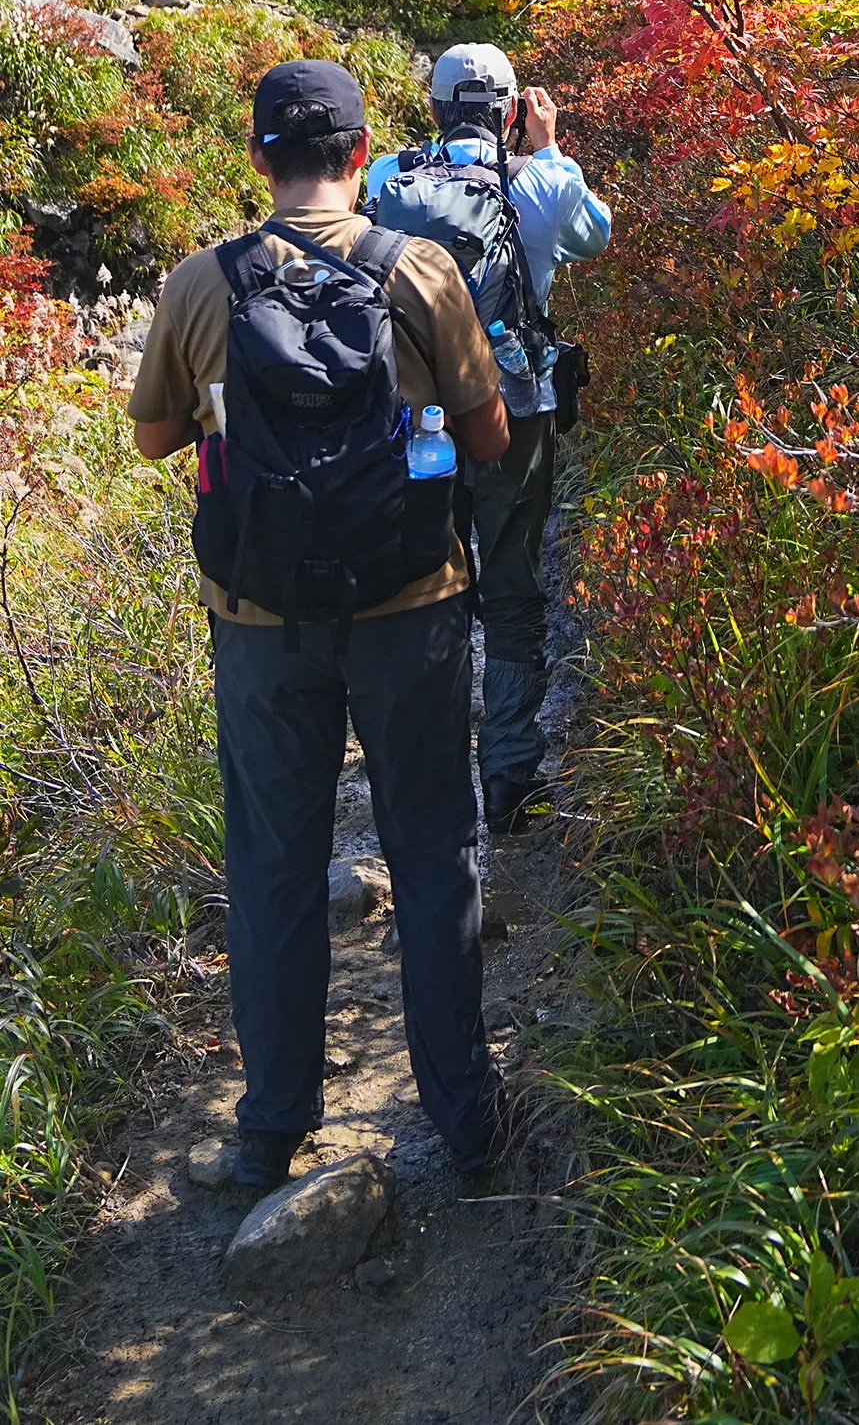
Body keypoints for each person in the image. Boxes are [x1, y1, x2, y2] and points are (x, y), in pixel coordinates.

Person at [129, 59, 510, 1190]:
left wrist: (226, 411)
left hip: (258, 623)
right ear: (359, 155)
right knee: (434, 852)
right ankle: (463, 1118)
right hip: (415, 610)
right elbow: (487, 441)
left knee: (275, 866)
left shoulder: (204, 283)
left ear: (259, 159)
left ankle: (272, 1126)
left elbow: (153, 441)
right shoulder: (421, 268)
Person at [366, 43, 610, 834]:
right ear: (508, 110)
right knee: (510, 591)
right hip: (517, 411)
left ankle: (427, 784)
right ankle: (508, 780)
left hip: (411, 418)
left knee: (420, 590)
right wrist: (551, 146)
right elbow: (595, 236)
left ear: (434, 110)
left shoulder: (386, 183)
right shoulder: (537, 183)